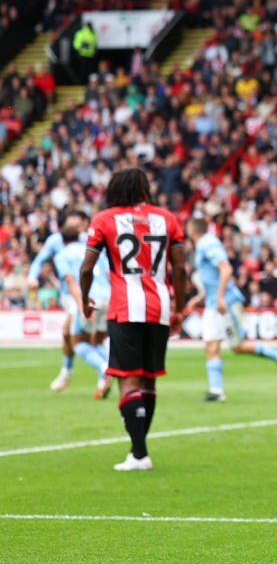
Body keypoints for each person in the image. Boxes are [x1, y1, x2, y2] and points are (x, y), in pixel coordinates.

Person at [80, 168, 187, 472]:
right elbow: (180, 270)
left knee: (128, 380)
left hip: (125, 308)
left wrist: (85, 299)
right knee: (149, 379)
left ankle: (139, 454)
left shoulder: (104, 219)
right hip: (160, 307)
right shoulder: (167, 218)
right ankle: (137, 449)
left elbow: (87, 268)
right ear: (145, 189)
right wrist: (178, 307)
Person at [185, 217, 277, 402]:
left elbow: (225, 269)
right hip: (213, 303)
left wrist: (219, 298)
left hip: (225, 302)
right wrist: (200, 298)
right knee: (210, 344)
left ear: (192, 229)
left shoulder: (206, 243)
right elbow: (212, 277)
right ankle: (216, 391)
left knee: (237, 346)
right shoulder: (204, 244)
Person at [28, 210, 89, 391]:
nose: (76, 229)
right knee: (74, 335)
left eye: (78, 225)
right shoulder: (55, 241)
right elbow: (40, 259)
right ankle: (70, 372)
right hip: (68, 293)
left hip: (84, 293)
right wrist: (32, 277)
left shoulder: (86, 239)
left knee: (70, 332)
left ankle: (72, 372)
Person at [53, 218, 112, 399]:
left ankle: (105, 367)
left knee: (77, 342)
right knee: (97, 341)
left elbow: (71, 281)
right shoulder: (95, 251)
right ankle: (104, 376)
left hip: (90, 298)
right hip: (108, 297)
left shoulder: (62, 256)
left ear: (61, 240)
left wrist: (81, 302)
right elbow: (109, 274)